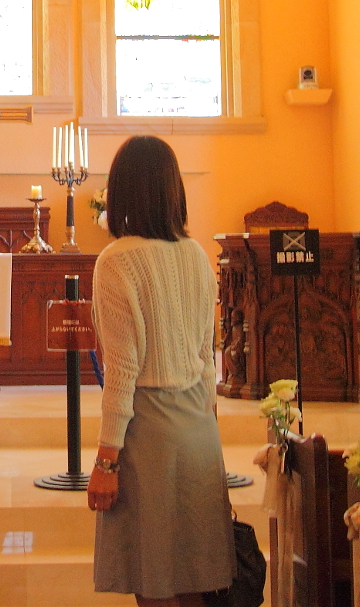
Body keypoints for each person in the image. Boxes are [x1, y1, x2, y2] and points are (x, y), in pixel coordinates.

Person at [87, 135, 234, 607]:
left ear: (121, 191)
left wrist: (106, 461)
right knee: (196, 579)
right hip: (198, 430)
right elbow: (209, 353)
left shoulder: (117, 261)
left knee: (153, 582)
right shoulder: (195, 255)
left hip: (149, 434)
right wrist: (209, 421)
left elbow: (123, 371)